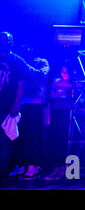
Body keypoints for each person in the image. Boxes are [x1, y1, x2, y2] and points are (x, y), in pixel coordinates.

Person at [0, 32, 29, 186]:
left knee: (4, 141)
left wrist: (16, 104)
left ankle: (3, 175)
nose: (5, 42)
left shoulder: (16, 61)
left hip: (6, 105)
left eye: (8, 40)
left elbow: (21, 84)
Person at [44, 66, 73, 181]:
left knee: (64, 141)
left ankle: (65, 169)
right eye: (62, 71)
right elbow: (50, 92)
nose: (63, 74)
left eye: (65, 72)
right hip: (55, 113)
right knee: (55, 140)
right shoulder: (56, 82)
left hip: (66, 114)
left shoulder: (71, 84)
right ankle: (57, 168)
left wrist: (61, 86)